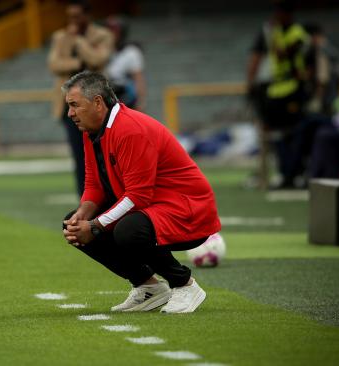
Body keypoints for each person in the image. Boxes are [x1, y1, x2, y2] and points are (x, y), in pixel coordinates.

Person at [61, 71, 221, 313]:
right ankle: (150, 288)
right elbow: (94, 184)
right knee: (72, 224)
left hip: (188, 210)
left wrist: (95, 226)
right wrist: (83, 215)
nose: (70, 113)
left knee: (128, 229)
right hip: (154, 208)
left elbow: (138, 196)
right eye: (69, 106)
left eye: (74, 105)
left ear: (97, 102)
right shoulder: (92, 130)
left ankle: (185, 284)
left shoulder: (130, 129)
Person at [48, 0, 114, 198]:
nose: (73, 21)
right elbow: (54, 64)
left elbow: (98, 60)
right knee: (80, 157)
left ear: (87, 16)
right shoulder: (60, 37)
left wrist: (79, 42)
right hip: (69, 106)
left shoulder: (103, 35)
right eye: (70, 16)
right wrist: (78, 61)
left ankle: (110, 197)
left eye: (77, 16)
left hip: (96, 106)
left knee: (104, 156)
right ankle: (84, 200)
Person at [247, 0, 310, 189]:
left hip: (293, 88)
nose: (275, 18)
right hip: (276, 89)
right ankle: (282, 173)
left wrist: (271, 35)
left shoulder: (297, 33)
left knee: (294, 132)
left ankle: (295, 173)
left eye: (279, 14)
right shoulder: (274, 32)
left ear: (288, 15)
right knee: (276, 134)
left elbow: (283, 53)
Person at [104, 16, 146, 111]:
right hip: (106, 96)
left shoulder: (131, 52)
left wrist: (141, 101)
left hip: (125, 97)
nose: (110, 34)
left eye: (114, 31)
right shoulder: (101, 51)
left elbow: (138, 78)